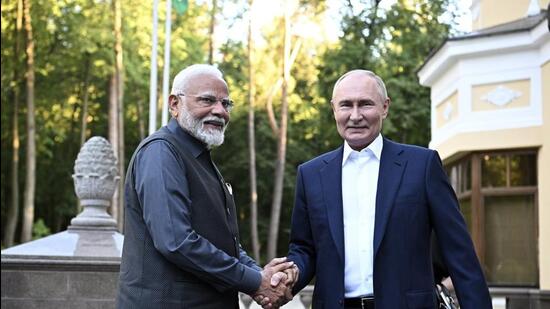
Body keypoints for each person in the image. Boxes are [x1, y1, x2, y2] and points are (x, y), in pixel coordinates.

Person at [285, 70, 492, 308]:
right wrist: (288, 276)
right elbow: (303, 249)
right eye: (346, 105)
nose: (355, 115)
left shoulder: (422, 165)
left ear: (385, 107)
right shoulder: (310, 174)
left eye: (365, 104)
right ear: (334, 109)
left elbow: (460, 253)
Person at [116, 64, 296, 309]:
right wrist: (255, 281)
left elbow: (222, 243)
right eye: (207, 100)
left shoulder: (201, 160)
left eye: (226, 103)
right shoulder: (161, 152)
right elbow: (176, 241)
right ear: (174, 104)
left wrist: (261, 275)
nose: (220, 111)